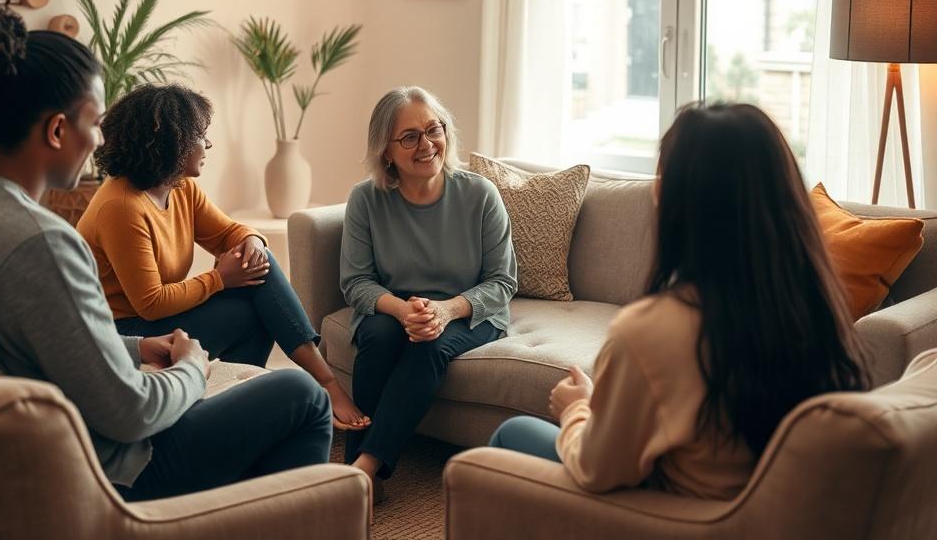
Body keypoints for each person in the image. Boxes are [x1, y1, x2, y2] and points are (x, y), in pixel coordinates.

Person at [0, 6, 332, 500]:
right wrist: (192, 368)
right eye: (95, 123)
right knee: (302, 395)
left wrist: (138, 349)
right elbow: (130, 412)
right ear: (57, 130)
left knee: (263, 388)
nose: (99, 141)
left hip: (45, 438)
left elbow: (40, 340)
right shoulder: (44, 244)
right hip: (113, 467)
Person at [489, 103, 868, 500]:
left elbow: (596, 471)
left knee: (512, 434)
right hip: (763, 511)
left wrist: (577, 409)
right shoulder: (812, 306)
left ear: (669, 197)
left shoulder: (651, 331)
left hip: (675, 518)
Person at [76, 82, 367, 430]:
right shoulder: (121, 207)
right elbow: (150, 303)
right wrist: (219, 279)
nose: (207, 145)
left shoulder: (178, 187)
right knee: (256, 308)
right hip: (125, 334)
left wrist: (253, 241)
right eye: (200, 136)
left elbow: (230, 232)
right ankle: (322, 384)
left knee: (258, 275)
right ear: (173, 144)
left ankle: (243, 404)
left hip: (151, 318)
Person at [340, 86, 518, 496]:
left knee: (428, 345)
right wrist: (403, 310)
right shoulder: (366, 199)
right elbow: (356, 282)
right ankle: (358, 470)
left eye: (433, 129)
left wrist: (447, 310)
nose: (427, 144)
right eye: (409, 137)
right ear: (386, 151)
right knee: (377, 336)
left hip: (470, 311)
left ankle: (364, 468)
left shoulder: (479, 194)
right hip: (396, 308)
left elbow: (503, 281)